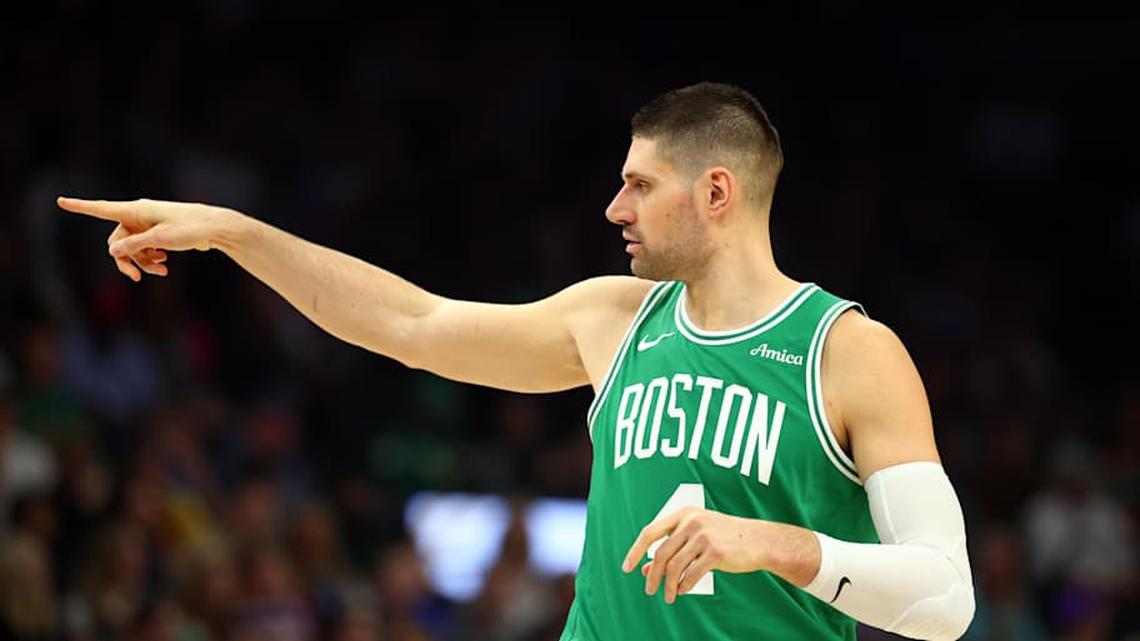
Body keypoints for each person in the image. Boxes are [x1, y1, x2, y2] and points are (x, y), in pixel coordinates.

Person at [59, 82, 975, 641]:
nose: (615, 207)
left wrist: (776, 544)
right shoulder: (613, 318)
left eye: (641, 185)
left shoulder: (848, 353)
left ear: (718, 193)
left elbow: (945, 598)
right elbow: (410, 323)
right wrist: (234, 232)